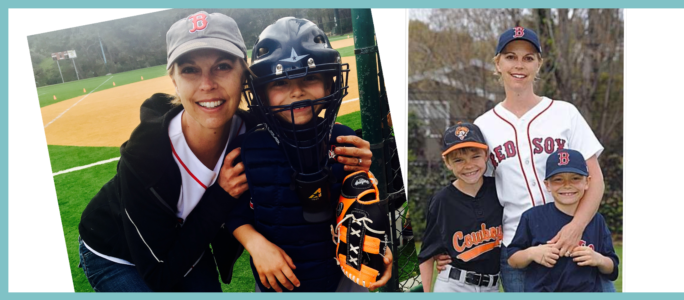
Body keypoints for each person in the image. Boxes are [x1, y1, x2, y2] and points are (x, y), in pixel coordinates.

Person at [77, 12, 371, 292]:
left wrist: (356, 157)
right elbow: (160, 275)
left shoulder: (260, 128)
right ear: (174, 81)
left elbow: (305, 139)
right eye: (190, 70)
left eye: (222, 66)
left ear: (245, 75)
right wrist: (222, 196)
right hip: (116, 252)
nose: (207, 84)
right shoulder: (145, 156)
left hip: (186, 237)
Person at [223, 17, 391, 293]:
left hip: (342, 280)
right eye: (279, 83)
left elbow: (362, 208)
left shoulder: (344, 141)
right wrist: (256, 245)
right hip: (276, 284)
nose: (296, 91)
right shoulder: (249, 148)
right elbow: (234, 213)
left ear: (329, 84)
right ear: (261, 93)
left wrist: (376, 248)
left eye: (310, 77)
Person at [472, 26, 608, 292]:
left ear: (539, 64)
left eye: (528, 57)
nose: (519, 65)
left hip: (578, 243)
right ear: (498, 64)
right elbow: (477, 194)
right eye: (510, 56)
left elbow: (596, 179)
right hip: (519, 250)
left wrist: (575, 228)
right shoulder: (484, 125)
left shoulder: (564, 113)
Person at [507, 149, 619, 292]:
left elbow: (612, 267)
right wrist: (532, 253)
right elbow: (512, 259)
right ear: (547, 184)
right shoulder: (532, 217)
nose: (567, 185)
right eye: (558, 179)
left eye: (575, 178)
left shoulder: (596, 220)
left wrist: (598, 259)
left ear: (587, 182)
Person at [418, 122, 503, 293]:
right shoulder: (442, 201)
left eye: (475, 156)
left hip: (492, 287)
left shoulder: (499, 189)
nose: (469, 165)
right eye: (458, 160)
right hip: (454, 284)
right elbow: (426, 255)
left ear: (486, 154)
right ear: (447, 162)